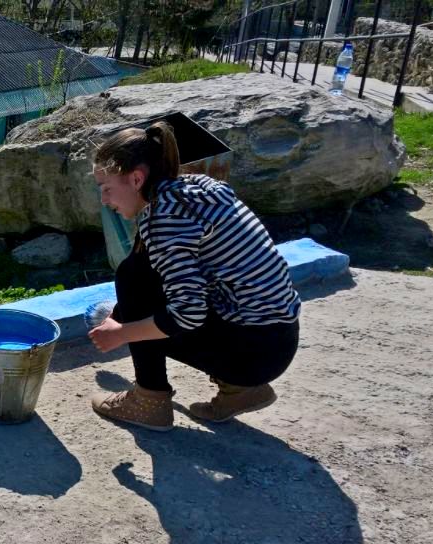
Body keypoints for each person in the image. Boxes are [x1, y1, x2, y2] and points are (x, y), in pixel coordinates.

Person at [87, 121, 301, 432]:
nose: (105, 201)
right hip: (278, 338)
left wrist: (122, 333)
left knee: (132, 278)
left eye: (107, 189)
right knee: (136, 272)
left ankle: (149, 401)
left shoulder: (164, 222)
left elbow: (187, 313)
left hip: (254, 354)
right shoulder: (194, 188)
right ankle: (241, 391)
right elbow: (150, 270)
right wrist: (118, 318)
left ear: (136, 179)